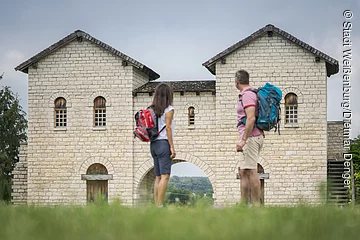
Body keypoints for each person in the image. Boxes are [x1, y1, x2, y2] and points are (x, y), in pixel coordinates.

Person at [235, 70, 264, 207]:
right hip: (253, 136)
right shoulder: (251, 93)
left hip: (251, 137)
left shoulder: (247, 95)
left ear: (237, 81)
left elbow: (251, 118)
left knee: (251, 171)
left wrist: (243, 140)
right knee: (243, 170)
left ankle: (257, 206)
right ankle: (243, 205)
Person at [150, 83, 176, 208]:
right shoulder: (169, 109)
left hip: (153, 144)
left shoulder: (152, 109)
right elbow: (168, 128)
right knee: (165, 175)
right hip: (163, 143)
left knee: (158, 176)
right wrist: (172, 146)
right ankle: (160, 206)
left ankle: (156, 205)